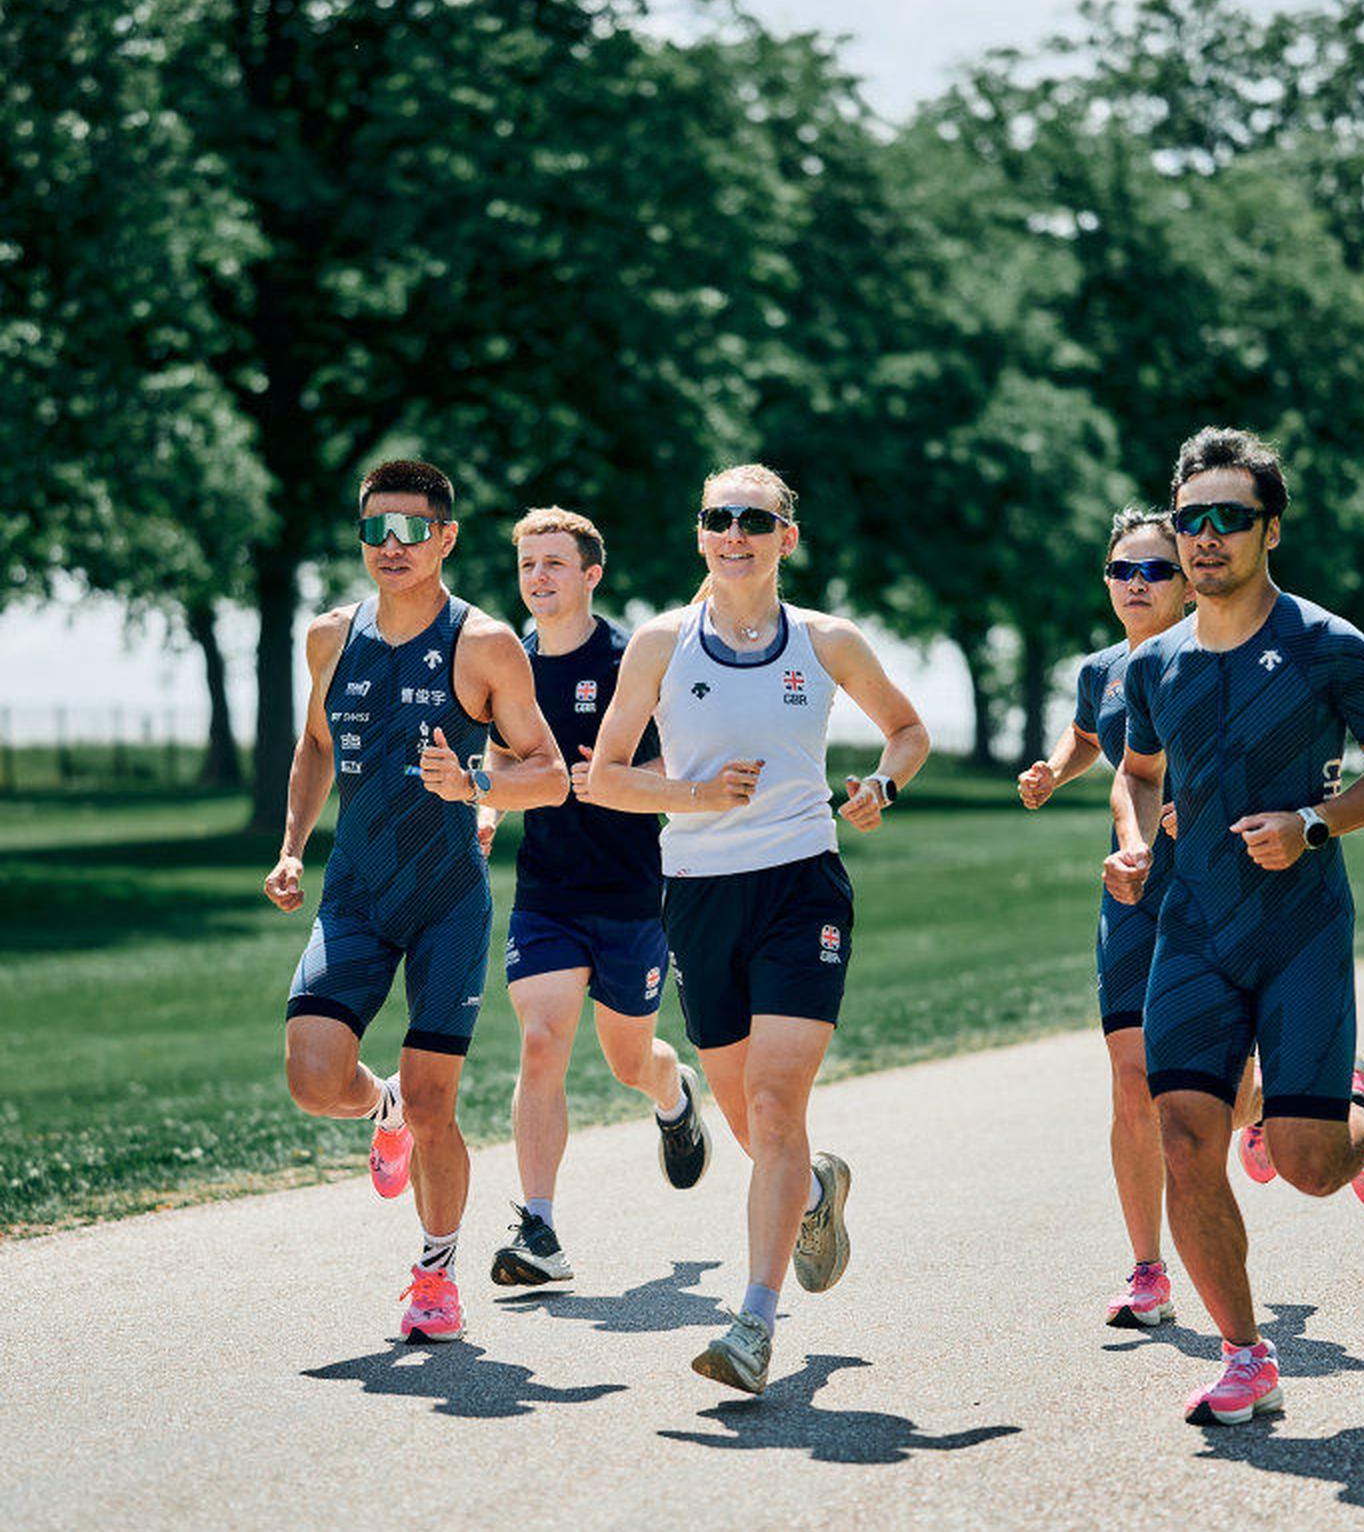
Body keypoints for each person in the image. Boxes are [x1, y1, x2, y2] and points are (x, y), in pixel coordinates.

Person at [1106, 427, 1364, 1426]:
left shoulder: (1329, 644)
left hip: (1300, 930)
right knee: (1185, 1135)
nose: (1205, 537)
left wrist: (1313, 823)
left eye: (1229, 519)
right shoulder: (1155, 665)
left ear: (1269, 529)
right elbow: (1140, 769)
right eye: (1192, 518)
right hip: (1192, 930)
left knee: (1307, 1166)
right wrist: (1131, 843)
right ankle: (1246, 1358)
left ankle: (1357, 1114)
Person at [589, 463, 929, 1395]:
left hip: (800, 887)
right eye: (717, 518)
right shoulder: (661, 642)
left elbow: (906, 730)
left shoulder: (825, 640)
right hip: (698, 892)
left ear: (787, 535)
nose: (733, 532)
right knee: (743, 1114)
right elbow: (605, 777)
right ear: (700, 535)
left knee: (777, 1107)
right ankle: (817, 1194)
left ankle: (753, 1322)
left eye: (753, 518)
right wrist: (692, 795)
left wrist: (880, 785)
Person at [264, 459, 567, 1343]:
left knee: (440, 1108)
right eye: (374, 531)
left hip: (446, 903)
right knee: (315, 1080)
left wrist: (473, 779)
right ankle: (378, 1105)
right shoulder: (328, 636)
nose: (390, 547)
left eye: (409, 530)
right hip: (354, 895)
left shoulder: (485, 645)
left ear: (446, 537)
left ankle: (435, 1276)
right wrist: (290, 848)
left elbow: (547, 776)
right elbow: (315, 746)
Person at [480, 507, 711, 1289]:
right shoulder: (506, 661)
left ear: (590, 575)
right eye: (527, 565)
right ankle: (538, 1229)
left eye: (554, 563)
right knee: (541, 1040)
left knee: (627, 1061)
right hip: (546, 892)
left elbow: (673, 777)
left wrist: (613, 787)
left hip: (631, 896)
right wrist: (487, 807)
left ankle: (674, 1095)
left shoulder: (629, 659)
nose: (538, 577)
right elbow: (500, 762)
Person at [1020, 510, 1203, 1329]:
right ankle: (1147, 1271)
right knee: (1134, 1081)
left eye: (1155, 570)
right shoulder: (1101, 668)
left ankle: (1320, 1098)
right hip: (1130, 889)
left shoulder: (1219, 656)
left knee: (1207, 1091)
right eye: (1122, 570)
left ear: (1189, 579)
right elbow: (1092, 734)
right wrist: (1055, 771)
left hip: (1218, 890)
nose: (1136, 583)